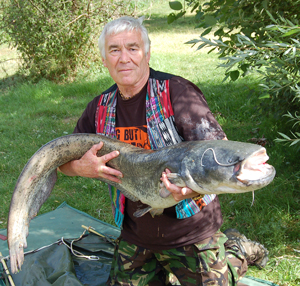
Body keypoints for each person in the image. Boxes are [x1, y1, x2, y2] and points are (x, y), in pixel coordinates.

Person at [59, 16, 269, 286]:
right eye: (114, 50)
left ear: (147, 54)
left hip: (191, 233)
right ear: (104, 59)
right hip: (136, 233)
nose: (124, 58)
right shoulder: (99, 108)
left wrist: (191, 190)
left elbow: (221, 156)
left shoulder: (177, 94)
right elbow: (62, 161)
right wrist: (79, 168)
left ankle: (238, 250)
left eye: (133, 48)